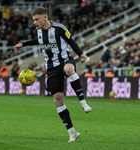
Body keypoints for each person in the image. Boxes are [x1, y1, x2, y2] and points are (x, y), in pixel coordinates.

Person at [14, 7, 92, 143]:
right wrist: (23, 44)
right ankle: (72, 132)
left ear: (45, 17)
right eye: (33, 20)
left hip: (64, 59)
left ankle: (83, 103)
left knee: (69, 69)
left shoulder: (59, 28)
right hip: (51, 67)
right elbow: (38, 41)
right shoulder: (38, 31)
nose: (35, 22)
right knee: (57, 99)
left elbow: (71, 41)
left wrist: (80, 54)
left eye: (37, 19)